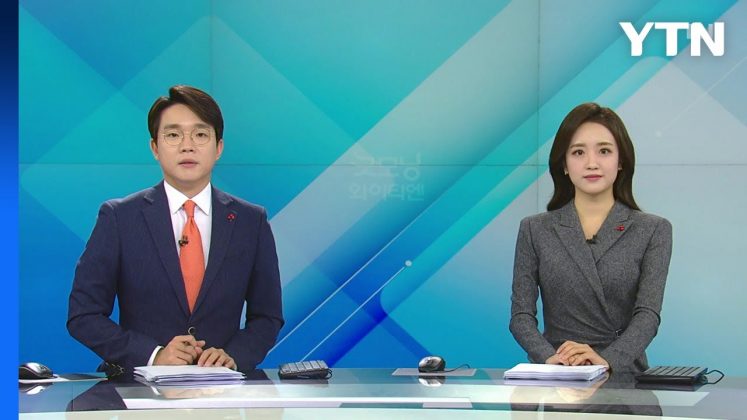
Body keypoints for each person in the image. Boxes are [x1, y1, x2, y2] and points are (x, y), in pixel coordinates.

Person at [68, 85, 284, 373]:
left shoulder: (250, 221)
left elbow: (268, 316)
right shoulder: (119, 218)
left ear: (219, 148)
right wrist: (153, 355)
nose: (187, 146)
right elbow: (84, 315)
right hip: (139, 388)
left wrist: (233, 356)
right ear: (155, 148)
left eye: (200, 134)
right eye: (173, 135)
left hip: (222, 389)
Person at [509, 102, 672, 372]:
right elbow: (521, 316)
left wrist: (607, 360)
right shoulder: (534, 229)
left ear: (621, 161)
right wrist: (550, 358)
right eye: (578, 152)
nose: (592, 163)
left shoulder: (653, 229)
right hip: (558, 371)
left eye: (604, 151)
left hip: (622, 373)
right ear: (564, 164)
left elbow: (648, 315)